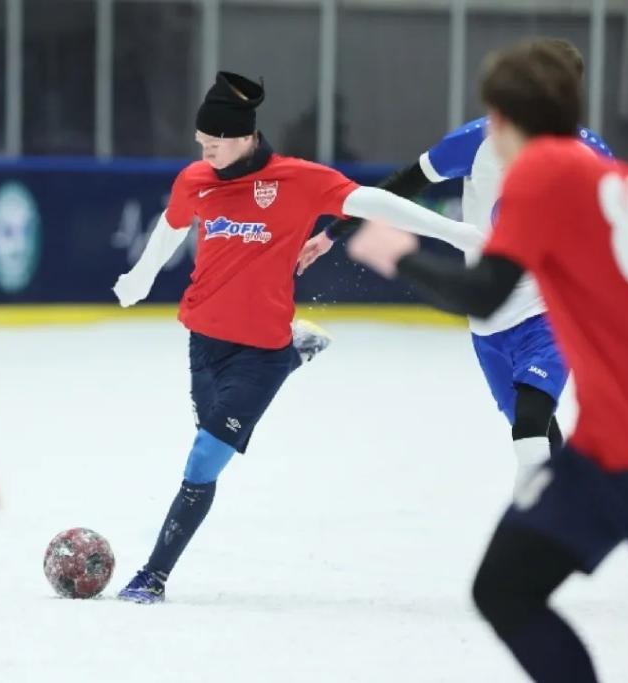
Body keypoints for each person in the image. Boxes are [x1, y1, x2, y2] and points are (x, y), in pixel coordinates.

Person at [112, 71, 480, 604]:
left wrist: (457, 232)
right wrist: (142, 276)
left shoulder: (299, 180)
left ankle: (153, 576)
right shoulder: (196, 179)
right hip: (203, 341)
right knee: (209, 439)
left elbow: (375, 203)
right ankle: (295, 354)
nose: (203, 149)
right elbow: (172, 225)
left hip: (258, 352)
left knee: (203, 460)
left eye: (214, 141)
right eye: (200, 140)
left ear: (245, 136)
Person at [348, 41, 628, 683]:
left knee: (506, 590)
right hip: (606, 450)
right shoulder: (620, 178)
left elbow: (483, 290)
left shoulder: (542, 173)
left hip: (626, 449)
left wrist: (395, 252)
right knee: (504, 587)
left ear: (502, 119)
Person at [298, 37, 612, 490]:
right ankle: (564, 508)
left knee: (530, 426)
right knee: (534, 431)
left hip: (550, 312)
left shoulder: (591, 156)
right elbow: (402, 185)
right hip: (489, 321)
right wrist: (334, 233)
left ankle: (539, 522)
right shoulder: (478, 141)